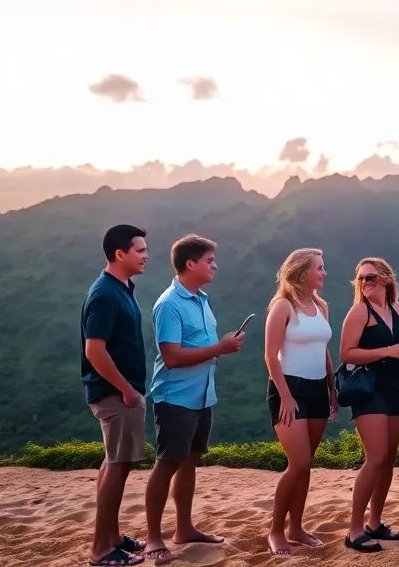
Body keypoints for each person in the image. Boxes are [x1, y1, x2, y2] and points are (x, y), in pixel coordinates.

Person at [143, 235, 245, 562]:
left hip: (202, 397)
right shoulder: (169, 304)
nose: (215, 265)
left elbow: (201, 348)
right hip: (176, 397)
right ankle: (153, 537)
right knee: (167, 464)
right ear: (190, 264)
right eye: (209, 260)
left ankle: (184, 528)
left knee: (190, 462)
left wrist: (221, 347)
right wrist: (220, 348)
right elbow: (172, 357)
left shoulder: (202, 300)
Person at [337, 257, 399, 552]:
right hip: (367, 390)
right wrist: (388, 350)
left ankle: (374, 523)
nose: (364, 283)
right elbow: (347, 353)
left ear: (385, 279)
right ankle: (354, 529)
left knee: (387, 460)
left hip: (394, 388)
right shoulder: (360, 311)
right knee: (374, 458)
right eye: (360, 278)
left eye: (370, 277)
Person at [80, 224, 151, 567]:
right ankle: (101, 550)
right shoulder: (105, 294)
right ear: (120, 254)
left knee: (113, 463)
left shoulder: (121, 288)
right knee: (118, 467)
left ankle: (112, 537)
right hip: (116, 394)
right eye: (140, 250)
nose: (146, 256)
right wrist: (126, 389)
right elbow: (94, 350)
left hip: (120, 391)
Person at [263, 248, 338, 556]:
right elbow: (270, 356)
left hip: (319, 388)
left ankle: (296, 527)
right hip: (289, 389)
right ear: (302, 272)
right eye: (319, 268)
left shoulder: (321, 305)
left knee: (306, 465)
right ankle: (275, 530)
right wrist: (285, 396)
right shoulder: (283, 306)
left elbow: (324, 351)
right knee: (299, 463)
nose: (324, 273)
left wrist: (332, 389)